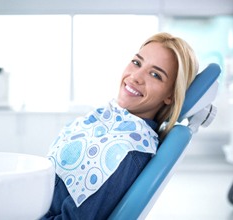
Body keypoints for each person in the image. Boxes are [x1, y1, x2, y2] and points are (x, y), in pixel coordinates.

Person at [41, 32, 198, 219]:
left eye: (155, 75)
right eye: (137, 63)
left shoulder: (125, 152)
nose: (135, 77)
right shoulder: (106, 119)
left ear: (170, 95)